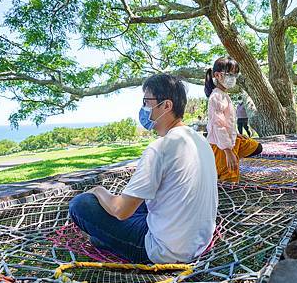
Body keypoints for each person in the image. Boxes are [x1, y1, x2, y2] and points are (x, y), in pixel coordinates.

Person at [69, 74, 218, 264]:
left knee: (81, 204)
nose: (144, 108)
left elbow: (121, 211)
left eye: (147, 102)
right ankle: (106, 238)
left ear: (166, 106)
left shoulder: (160, 148)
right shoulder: (200, 141)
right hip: (198, 242)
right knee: (139, 202)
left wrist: (99, 191)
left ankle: (106, 240)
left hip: (163, 250)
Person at [205, 57, 262, 182]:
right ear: (217, 75)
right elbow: (218, 125)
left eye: (235, 74)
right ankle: (220, 169)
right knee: (230, 184)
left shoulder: (223, 94)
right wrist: (227, 151)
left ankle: (222, 165)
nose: (233, 78)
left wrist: (236, 135)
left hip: (231, 140)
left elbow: (228, 122)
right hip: (221, 146)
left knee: (256, 147)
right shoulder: (216, 96)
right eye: (230, 74)